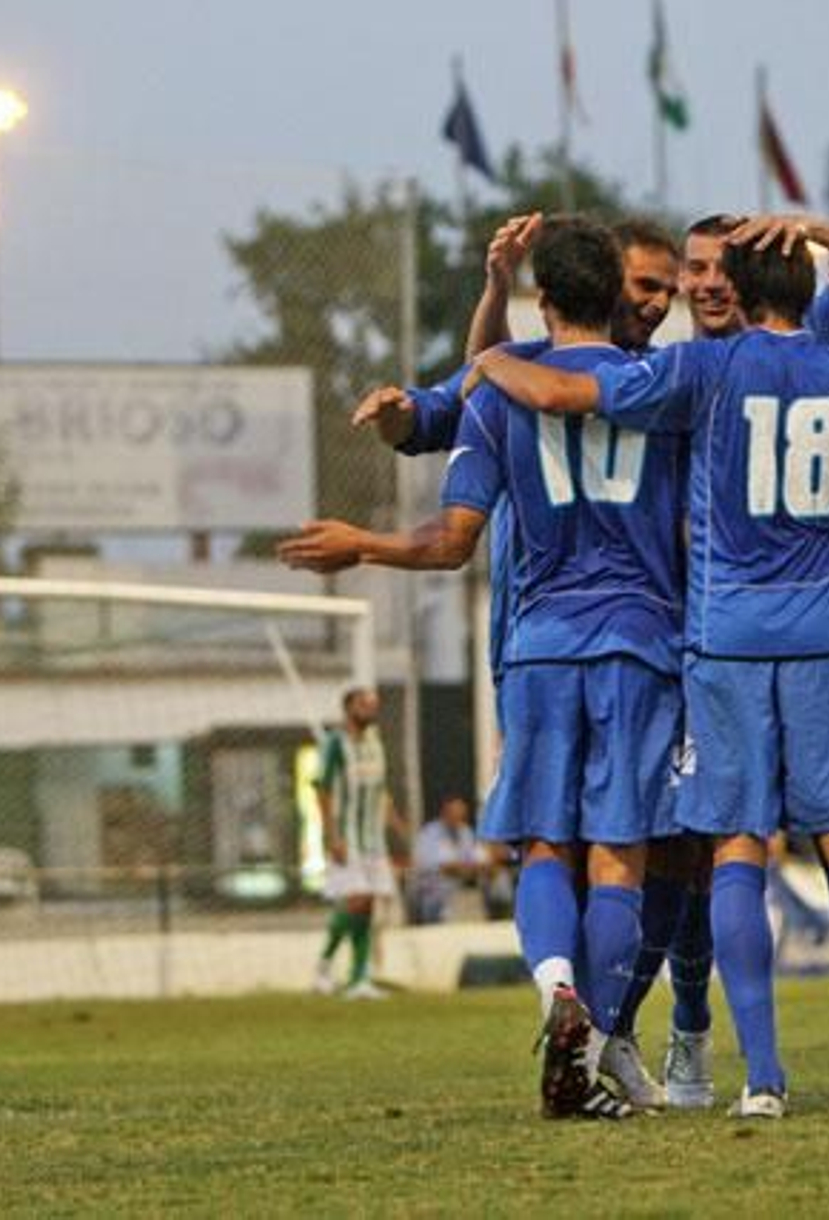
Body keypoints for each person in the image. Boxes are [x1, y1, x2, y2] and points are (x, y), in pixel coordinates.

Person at [472, 237, 829, 1119]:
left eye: (712, 273)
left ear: (736, 290)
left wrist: (484, 359)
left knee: (737, 848)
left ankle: (763, 1081)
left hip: (723, 637)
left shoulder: (700, 369)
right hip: (825, 631)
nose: (700, 285)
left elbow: (560, 392)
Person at [282, 215, 686, 1122]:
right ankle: (603, 1035)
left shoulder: (501, 392)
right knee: (619, 855)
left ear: (544, 299)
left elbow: (451, 540)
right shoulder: (666, 386)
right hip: (641, 646)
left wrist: (362, 545)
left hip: (539, 648)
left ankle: (557, 991)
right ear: (617, 292)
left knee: (543, 844)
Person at [312, 688, 402, 1000]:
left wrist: (394, 821)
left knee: (368, 904)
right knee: (356, 899)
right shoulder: (335, 744)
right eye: (364, 704)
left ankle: (359, 978)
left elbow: (380, 789)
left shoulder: (375, 743)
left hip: (373, 839)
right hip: (346, 836)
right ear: (349, 707)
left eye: (374, 705)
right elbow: (322, 790)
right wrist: (331, 836)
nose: (371, 709)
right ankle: (324, 965)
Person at [411, 795, 488, 924]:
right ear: (445, 813)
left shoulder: (466, 832)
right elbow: (433, 866)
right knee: (437, 898)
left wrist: (463, 868)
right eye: (455, 815)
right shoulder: (429, 833)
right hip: (432, 891)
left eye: (462, 815)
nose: (458, 819)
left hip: (461, 891)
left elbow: (480, 861)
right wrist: (460, 868)